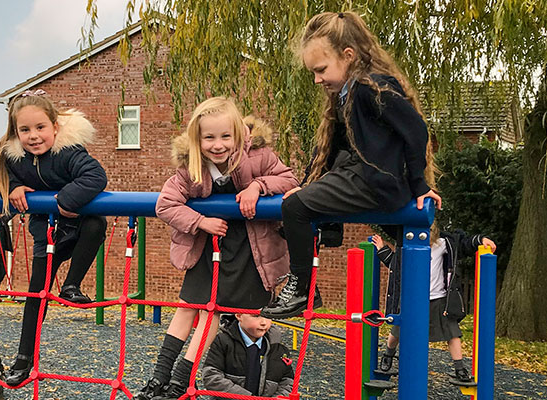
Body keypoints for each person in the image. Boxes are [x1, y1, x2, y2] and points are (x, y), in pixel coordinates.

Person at [261, 11, 441, 319]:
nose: (317, 79)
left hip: (374, 180)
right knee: (300, 202)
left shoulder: (371, 87)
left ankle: (302, 288)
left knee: (294, 209)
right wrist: (308, 186)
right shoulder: (348, 93)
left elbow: (416, 130)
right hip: (361, 176)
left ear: (348, 55)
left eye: (321, 70)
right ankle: (324, 233)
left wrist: (420, 185)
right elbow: (332, 150)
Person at [141, 98, 298, 399]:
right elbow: (165, 204)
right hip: (209, 245)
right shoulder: (193, 168)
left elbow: (288, 178)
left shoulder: (258, 155)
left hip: (250, 250)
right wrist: (200, 221)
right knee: (188, 307)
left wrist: (257, 187)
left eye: (225, 136)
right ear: (196, 139)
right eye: (208, 137)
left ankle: (179, 382)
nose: (217, 145)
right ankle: (159, 377)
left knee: (213, 315)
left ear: (239, 134)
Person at [0, 90, 108, 386]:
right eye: (25, 130)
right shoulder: (13, 158)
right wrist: (15, 187)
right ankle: (23, 359)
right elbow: (1, 178)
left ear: (55, 127)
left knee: (97, 222)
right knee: (35, 298)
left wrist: (66, 201)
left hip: (76, 229)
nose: (34, 136)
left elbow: (96, 177)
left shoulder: (69, 152)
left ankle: (72, 284)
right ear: (15, 132)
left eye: (40, 128)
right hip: (47, 237)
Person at [370, 227, 496, 384]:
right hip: (412, 299)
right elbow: (395, 267)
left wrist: (480, 240)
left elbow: (463, 244)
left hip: (439, 298)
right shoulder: (407, 248)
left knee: (452, 332)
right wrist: (382, 249)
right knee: (397, 331)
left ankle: (460, 368)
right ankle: (388, 354)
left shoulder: (443, 244)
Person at [200, 313, 294, 399]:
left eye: (268, 316)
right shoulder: (223, 341)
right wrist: (247, 397)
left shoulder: (278, 349)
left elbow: (288, 381)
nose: (264, 322)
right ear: (239, 315)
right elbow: (211, 376)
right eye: (256, 316)